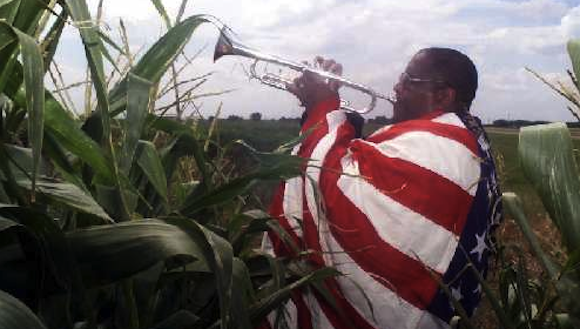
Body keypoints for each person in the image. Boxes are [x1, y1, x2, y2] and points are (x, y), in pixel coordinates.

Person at [262, 48, 502, 329]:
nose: (396, 87)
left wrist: (322, 105)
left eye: (408, 80)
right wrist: (335, 119)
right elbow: (371, 177)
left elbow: (332, 188)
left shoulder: (440, 145)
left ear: (442, 95)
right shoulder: (469, 139)